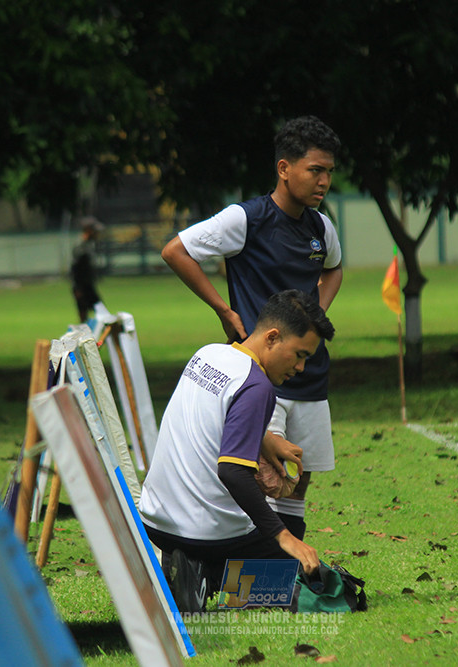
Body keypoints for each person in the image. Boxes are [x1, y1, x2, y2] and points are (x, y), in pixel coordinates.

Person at [160, 115, 342, 542]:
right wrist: (224, 310)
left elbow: (334, 271)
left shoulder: (321, 227)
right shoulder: (247, 219)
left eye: (330, 172)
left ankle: (290, 561)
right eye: (315, 170)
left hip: (310, 375)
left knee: (300, 477)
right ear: (284, 168)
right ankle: (264, 562)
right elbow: (176, 251)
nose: (324, 182)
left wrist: (315, 315)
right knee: (266, 477)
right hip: (261, 375)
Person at [138, 290, 335, 612]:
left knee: (285, 562)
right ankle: (213, 577)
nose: (300, 368)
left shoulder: (208, 354)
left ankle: (195, 572)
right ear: (273, 337)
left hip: (158, 524)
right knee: (319, 586)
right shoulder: (257, 386)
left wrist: (266, 439)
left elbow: (211, 418)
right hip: (209, 534)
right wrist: (285, 537)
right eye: (299, 354)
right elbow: (232, 472)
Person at [70, 217, 104, 322]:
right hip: (82, 287)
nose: (97, 234)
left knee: (101, 312)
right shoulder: (81, 247)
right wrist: (78, 287)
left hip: (88, 285)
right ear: (89, 230)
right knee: (87, 314)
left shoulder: (89, 245)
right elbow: (76, 268)